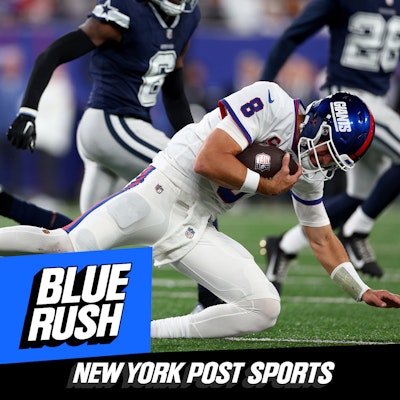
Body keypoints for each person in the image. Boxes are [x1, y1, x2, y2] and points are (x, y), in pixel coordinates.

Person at [1, 81, 400, 339]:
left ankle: (142, 332)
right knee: (68, 248)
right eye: (328, 150)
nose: (324, 162)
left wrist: (360, 290)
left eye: (335, 161)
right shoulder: (273, 101)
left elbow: (320, 236)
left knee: (263, 308)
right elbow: (207, 160)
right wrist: (263, 184)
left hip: (195, 225)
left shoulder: (306, 169)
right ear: (317, 120)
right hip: (161, 191)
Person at [5, 0, 223, 309]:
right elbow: (52, 53)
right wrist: (28, 110)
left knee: (77, 241)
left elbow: (173, 92)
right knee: (200, 182)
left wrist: (195, 140)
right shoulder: (127, 10)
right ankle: (211, 298)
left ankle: (6, 207)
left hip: (121, 128)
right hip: (111, 122)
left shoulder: (188, 15)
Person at [259, 0, 400, 293]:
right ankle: (357, 230)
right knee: (360, 199)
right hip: (345, 104)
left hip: (376, 104)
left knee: (359, 194)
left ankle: (284, 245)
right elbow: (293, 34)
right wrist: (261, 85)